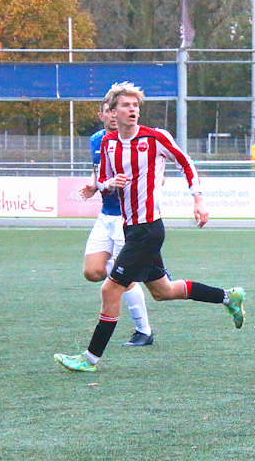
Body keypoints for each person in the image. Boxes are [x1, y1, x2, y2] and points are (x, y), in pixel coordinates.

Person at [54, 81, 246, 372]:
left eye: (135, 105)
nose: (132, 110)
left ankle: (89, 359)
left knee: (110, 290)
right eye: (126, 105)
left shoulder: (155, 138)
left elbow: (185, 163)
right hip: (130, 227)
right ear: (112, 112)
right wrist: (110, 183)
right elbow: (102, 182)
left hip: (148, 230)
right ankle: (228, 296)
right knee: (163, 290)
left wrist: (198, 199)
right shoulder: (108, 143)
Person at [77, 100, 154, 346]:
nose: (113, 115)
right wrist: (95, 184)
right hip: (106, 215)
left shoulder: (137, 139)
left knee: (125, 278)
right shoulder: (97, 140)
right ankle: (131, 268)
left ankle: (144, 331)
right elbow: (99, 170)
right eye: (109, 111)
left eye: (115, 110)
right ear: (101, 115)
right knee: (93, 272)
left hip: (128, 217)